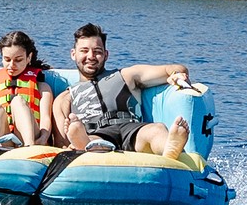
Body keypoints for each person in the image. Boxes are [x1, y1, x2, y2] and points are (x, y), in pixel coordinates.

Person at [54, 23, 194, 156]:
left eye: (97, 51)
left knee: (156, 130)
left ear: (106, 55)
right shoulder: (65, 98)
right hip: (96, 134)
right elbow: (61, 142)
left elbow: (172, 69)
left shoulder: (126, 76)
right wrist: (69, 145)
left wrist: (176, 74)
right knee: (90, 140)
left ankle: (170, 151)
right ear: (73, 54)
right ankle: (83, 142)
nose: (91, 56)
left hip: (132, 129)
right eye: (84, 51)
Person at [0, 29, 51, 148]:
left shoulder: (42, 87)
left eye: (18, 60)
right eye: (7, 60)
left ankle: (29, 147)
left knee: (18, 101)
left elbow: (45, 117)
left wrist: (44, 137)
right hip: (4, 137)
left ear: (29, 57)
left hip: (32, 137)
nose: (12, 65)